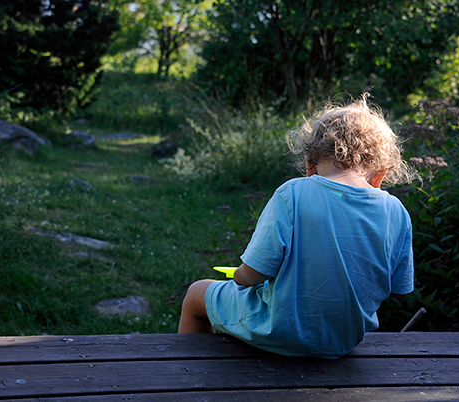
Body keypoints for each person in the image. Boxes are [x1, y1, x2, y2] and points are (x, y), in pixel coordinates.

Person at [178, 97, 417, 359]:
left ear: (309, 164)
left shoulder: (293, 193)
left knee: (195, 294)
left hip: (279, 331)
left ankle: (189, 376)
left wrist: (239, 277)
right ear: (380, 174)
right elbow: (398, 288)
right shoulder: (396, 211)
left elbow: (256, 273)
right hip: (341, 342)